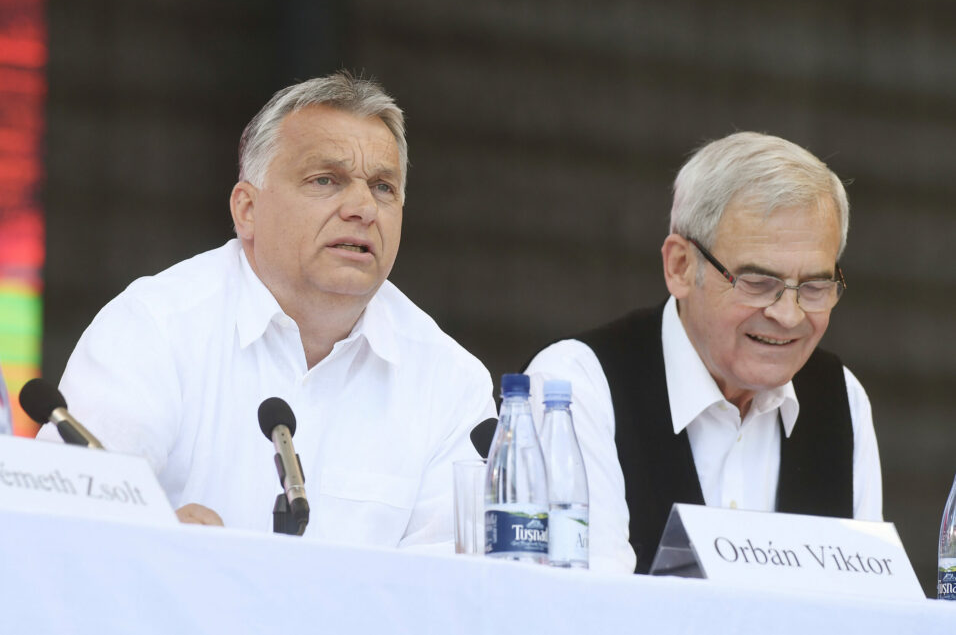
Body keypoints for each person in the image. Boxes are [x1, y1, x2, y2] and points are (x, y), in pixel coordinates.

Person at [38, 73, 496, 549]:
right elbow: (57, 527)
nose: (363, 207)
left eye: (383, 187)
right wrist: (157, 550)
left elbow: (452, 581)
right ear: (247, 209)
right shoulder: (154, 328)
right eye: (326, 180)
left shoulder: (451, 382)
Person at [525, 131, 881, 574]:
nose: (789, 315)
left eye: (814, 287)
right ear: (680, 266)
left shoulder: (841, 399)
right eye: (758, 283)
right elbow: (587, 603)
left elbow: (862, 601)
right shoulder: (575, 389)